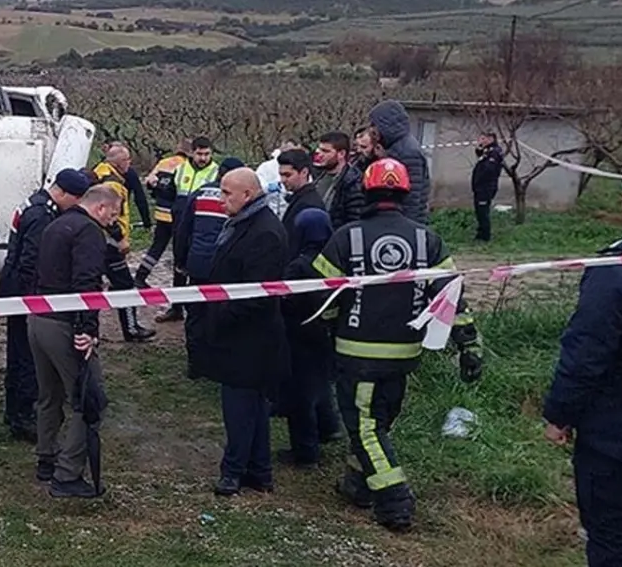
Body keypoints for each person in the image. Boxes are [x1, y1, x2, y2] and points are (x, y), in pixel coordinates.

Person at [310, 157, 482, 532]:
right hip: (404, 354)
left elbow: (321, 296)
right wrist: (469, 345)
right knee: (378, 422)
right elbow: (451, 298)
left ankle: (395, 500)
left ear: (365, 192)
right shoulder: (428, 240)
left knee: (365, 428)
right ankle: (358, 484)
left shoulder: (347, 237)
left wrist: (330, 328)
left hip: (357, 353)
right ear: (405, 194)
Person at [542, 163, 622, 567]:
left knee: (615, 539)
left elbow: (586, 353)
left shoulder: (617, 271)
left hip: (618, 439)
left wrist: (559, 414)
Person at [196, 168, 289, 496]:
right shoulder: (243, 222)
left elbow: (257, 294)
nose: (221, 200)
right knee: (253, 406)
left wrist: (220, 315)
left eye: (226, 193)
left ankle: (233, 471)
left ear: (247, 195)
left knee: (240, 408)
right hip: (240, 334)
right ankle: (259, 470)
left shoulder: (265, 233)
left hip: (249, 338)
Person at [29, 183, 122, 498]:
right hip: (64, 325)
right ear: (100, 207)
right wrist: (87, 329)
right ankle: (67, 474)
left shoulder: (57, 223)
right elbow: (86, 283)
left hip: (38, 319)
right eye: (113, 214)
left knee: (49, 394)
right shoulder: (89, 232)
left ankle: (46, 458)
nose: (113, 220)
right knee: (90, 399)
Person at [0, 169, 91, 444]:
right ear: (63, 192)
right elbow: (32, 262)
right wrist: (38, 299)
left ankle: (15, 409)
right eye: (76, 199)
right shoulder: (42, 215)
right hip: (25, 293)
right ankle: (23, 416)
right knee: (26, 355)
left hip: (17, 288)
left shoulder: (38, 203)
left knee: (19, 351)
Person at [279, 208, 342, 468]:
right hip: (329, 334)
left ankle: (306, 453)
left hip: (300, 336)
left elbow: (287, 301)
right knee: (322, 384)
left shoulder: (299, 265)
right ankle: (329, 427)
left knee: (300, 396)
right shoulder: (336, 260)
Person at [172, 156, 244, 378]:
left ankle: (196, 364)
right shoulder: (238, 200)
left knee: (196, 314)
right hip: (224, 265)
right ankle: (218, 362)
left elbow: (183, 230)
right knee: (221, 312)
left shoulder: (200, 193)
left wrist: (181, 260)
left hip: (198, 263)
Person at [147, 136, 219, 322]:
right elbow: (169, 194)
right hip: (180, 225)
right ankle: (176, 308)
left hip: (202, 227)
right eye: (199, 154)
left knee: (198, 269)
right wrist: (155, 186)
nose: (203, 158)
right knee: (178, 266)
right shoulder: (180, 169)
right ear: (192, 153)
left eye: (207, 154)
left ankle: (199, 310)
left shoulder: (216, 172)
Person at [92, 144, 155, 342]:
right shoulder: (114, 185)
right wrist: (120, 238)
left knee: (93, 286)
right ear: (119, 163)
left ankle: (91, 331)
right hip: (110, 243)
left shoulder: (99, 172)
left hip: (95, 241)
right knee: (126, 286)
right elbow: (110, 217)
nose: (130, 163)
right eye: (127, 160)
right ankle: (131, 329)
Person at [134, 139, 190, 290]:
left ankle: (140, 276)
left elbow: (150, 181)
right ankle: (178, 285)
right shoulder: (187, 166)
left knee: (157, 247)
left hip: (161, 213)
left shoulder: (164, 163)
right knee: (179, 251)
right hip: (177, 215)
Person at [367, 101, 431, 224]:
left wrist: (407, 227)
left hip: (404, 222)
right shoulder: (392, 147)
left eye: (374, 125)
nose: (371, 130)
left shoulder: (409, 152)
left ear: (386, 125)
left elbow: (413, 198)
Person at [312, 132, 365, 230]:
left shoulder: (353, 183)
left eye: (326, 151)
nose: (320, 155)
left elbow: (354, 221)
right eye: (319, 150)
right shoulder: (319, 177)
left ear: (341, 154)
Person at [278, 148, 325, 256]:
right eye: (281, 175)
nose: (282, 180)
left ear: (304, 172)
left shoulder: (309, 205)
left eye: (288, 175)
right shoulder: (299, 199)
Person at [100, 140, 152, 232]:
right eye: (126, 159)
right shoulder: (118, 178)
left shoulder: (99, 169)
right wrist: (147, 222)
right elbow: (140, 197)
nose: (129, 162)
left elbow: (140, 197)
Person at [471, 133, 504, 242]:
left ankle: (485, 236)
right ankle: (480, 234)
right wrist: (479, 147)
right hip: (480, 187)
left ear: (490, 139)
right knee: (479, 212)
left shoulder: (494, 152)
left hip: (486, 187)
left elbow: (489, 170)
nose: (481, 141)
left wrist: (479, 179)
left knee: (483, 212)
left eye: (483, 139)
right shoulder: (488, 150)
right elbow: (480, 155)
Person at [256, 139, 301, 218]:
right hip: (270, 211)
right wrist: (268, 188)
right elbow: (256, 187)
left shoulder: (300, 166)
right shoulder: (266, 167)